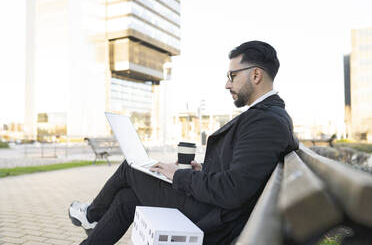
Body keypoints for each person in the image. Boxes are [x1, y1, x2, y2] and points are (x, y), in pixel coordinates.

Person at [68, 40, 299, 245]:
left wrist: (178, 176)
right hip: (217, 210)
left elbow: (233, 190)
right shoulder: (267, 115)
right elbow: (241, 175)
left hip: (217, 219)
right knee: (127, 198)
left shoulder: (266, 121)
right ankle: (92, 218)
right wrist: (202, 170)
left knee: (131, 168)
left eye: (232, 76)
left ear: (255, 75)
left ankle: (90, 215)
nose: (227, 84)